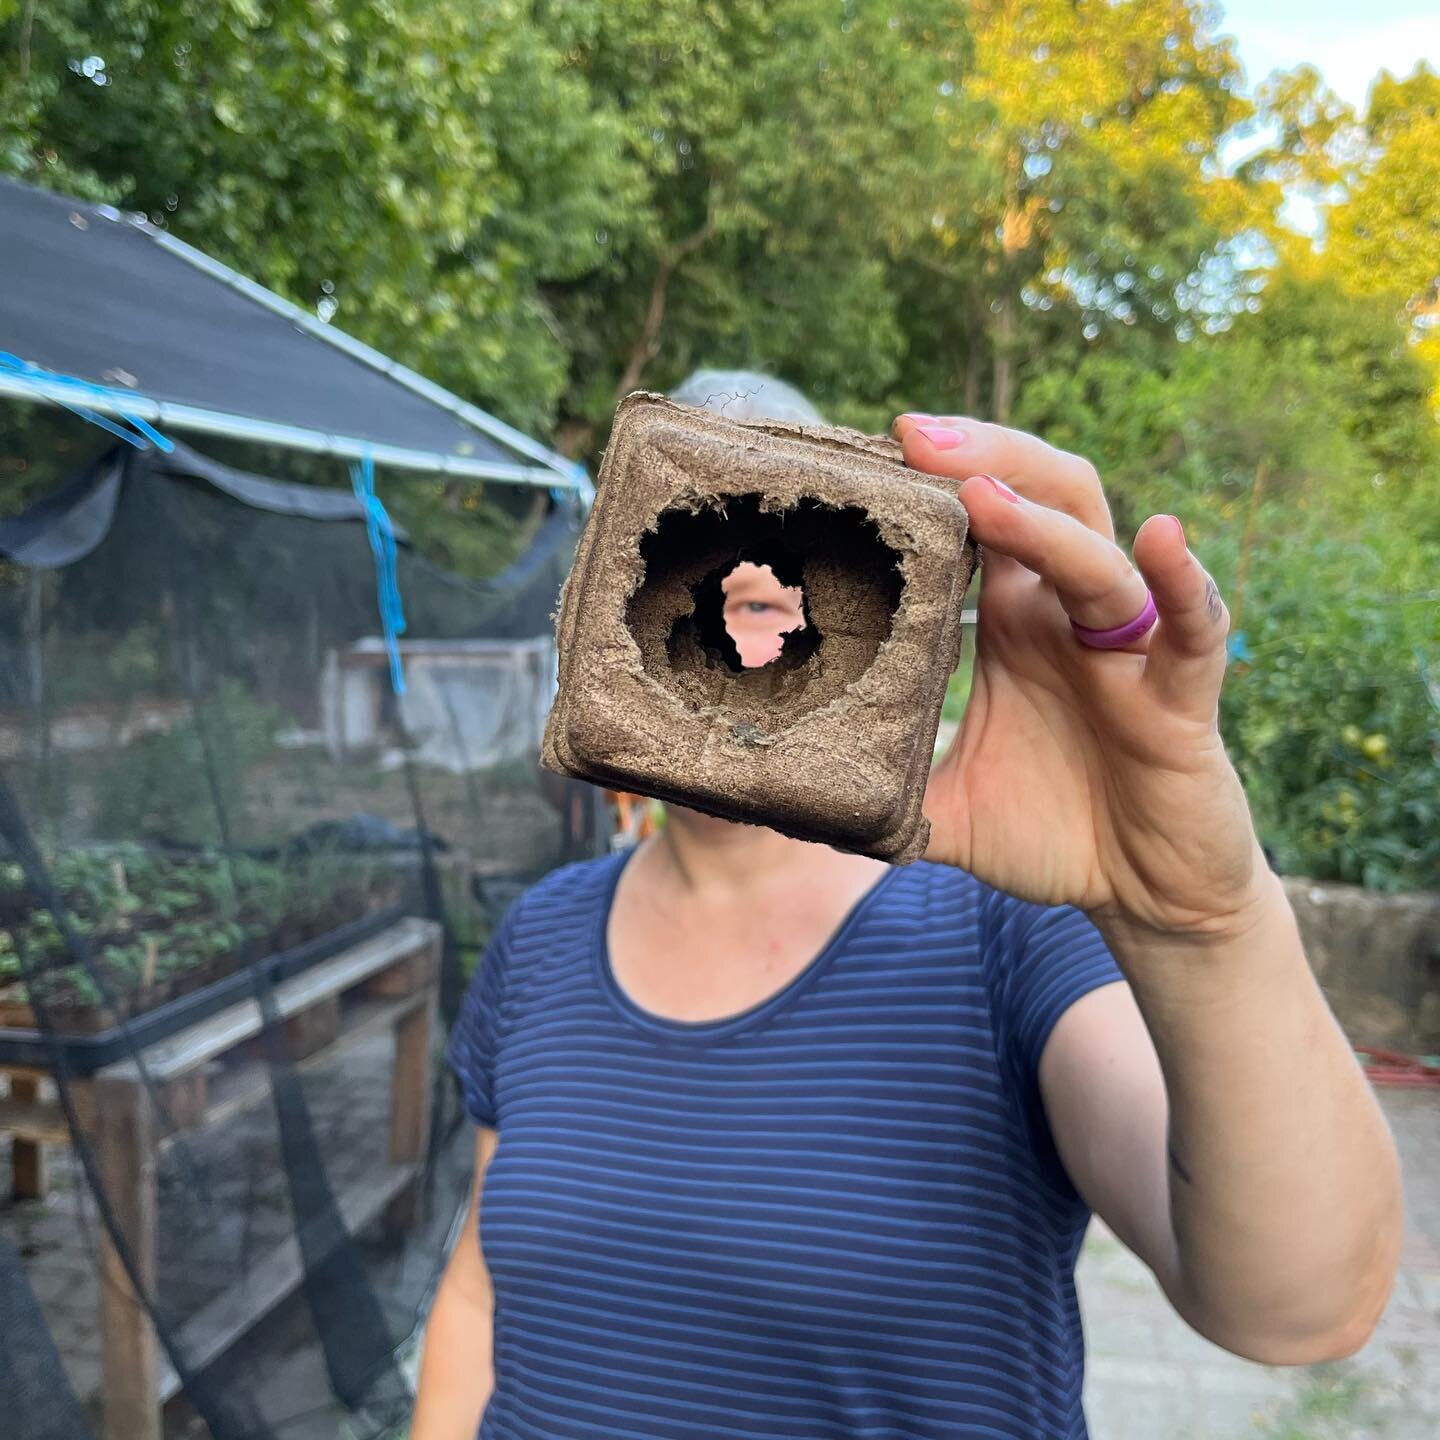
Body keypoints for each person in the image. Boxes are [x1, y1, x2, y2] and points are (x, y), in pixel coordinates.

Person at [412, 379, 1403, 1440]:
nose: (721, 616)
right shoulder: (546, 932)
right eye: (682, 570)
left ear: (856, 618)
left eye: (768, 590)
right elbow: (480, 1287)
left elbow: (1301, 1305)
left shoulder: (1005, 932)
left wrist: (1199, 923)